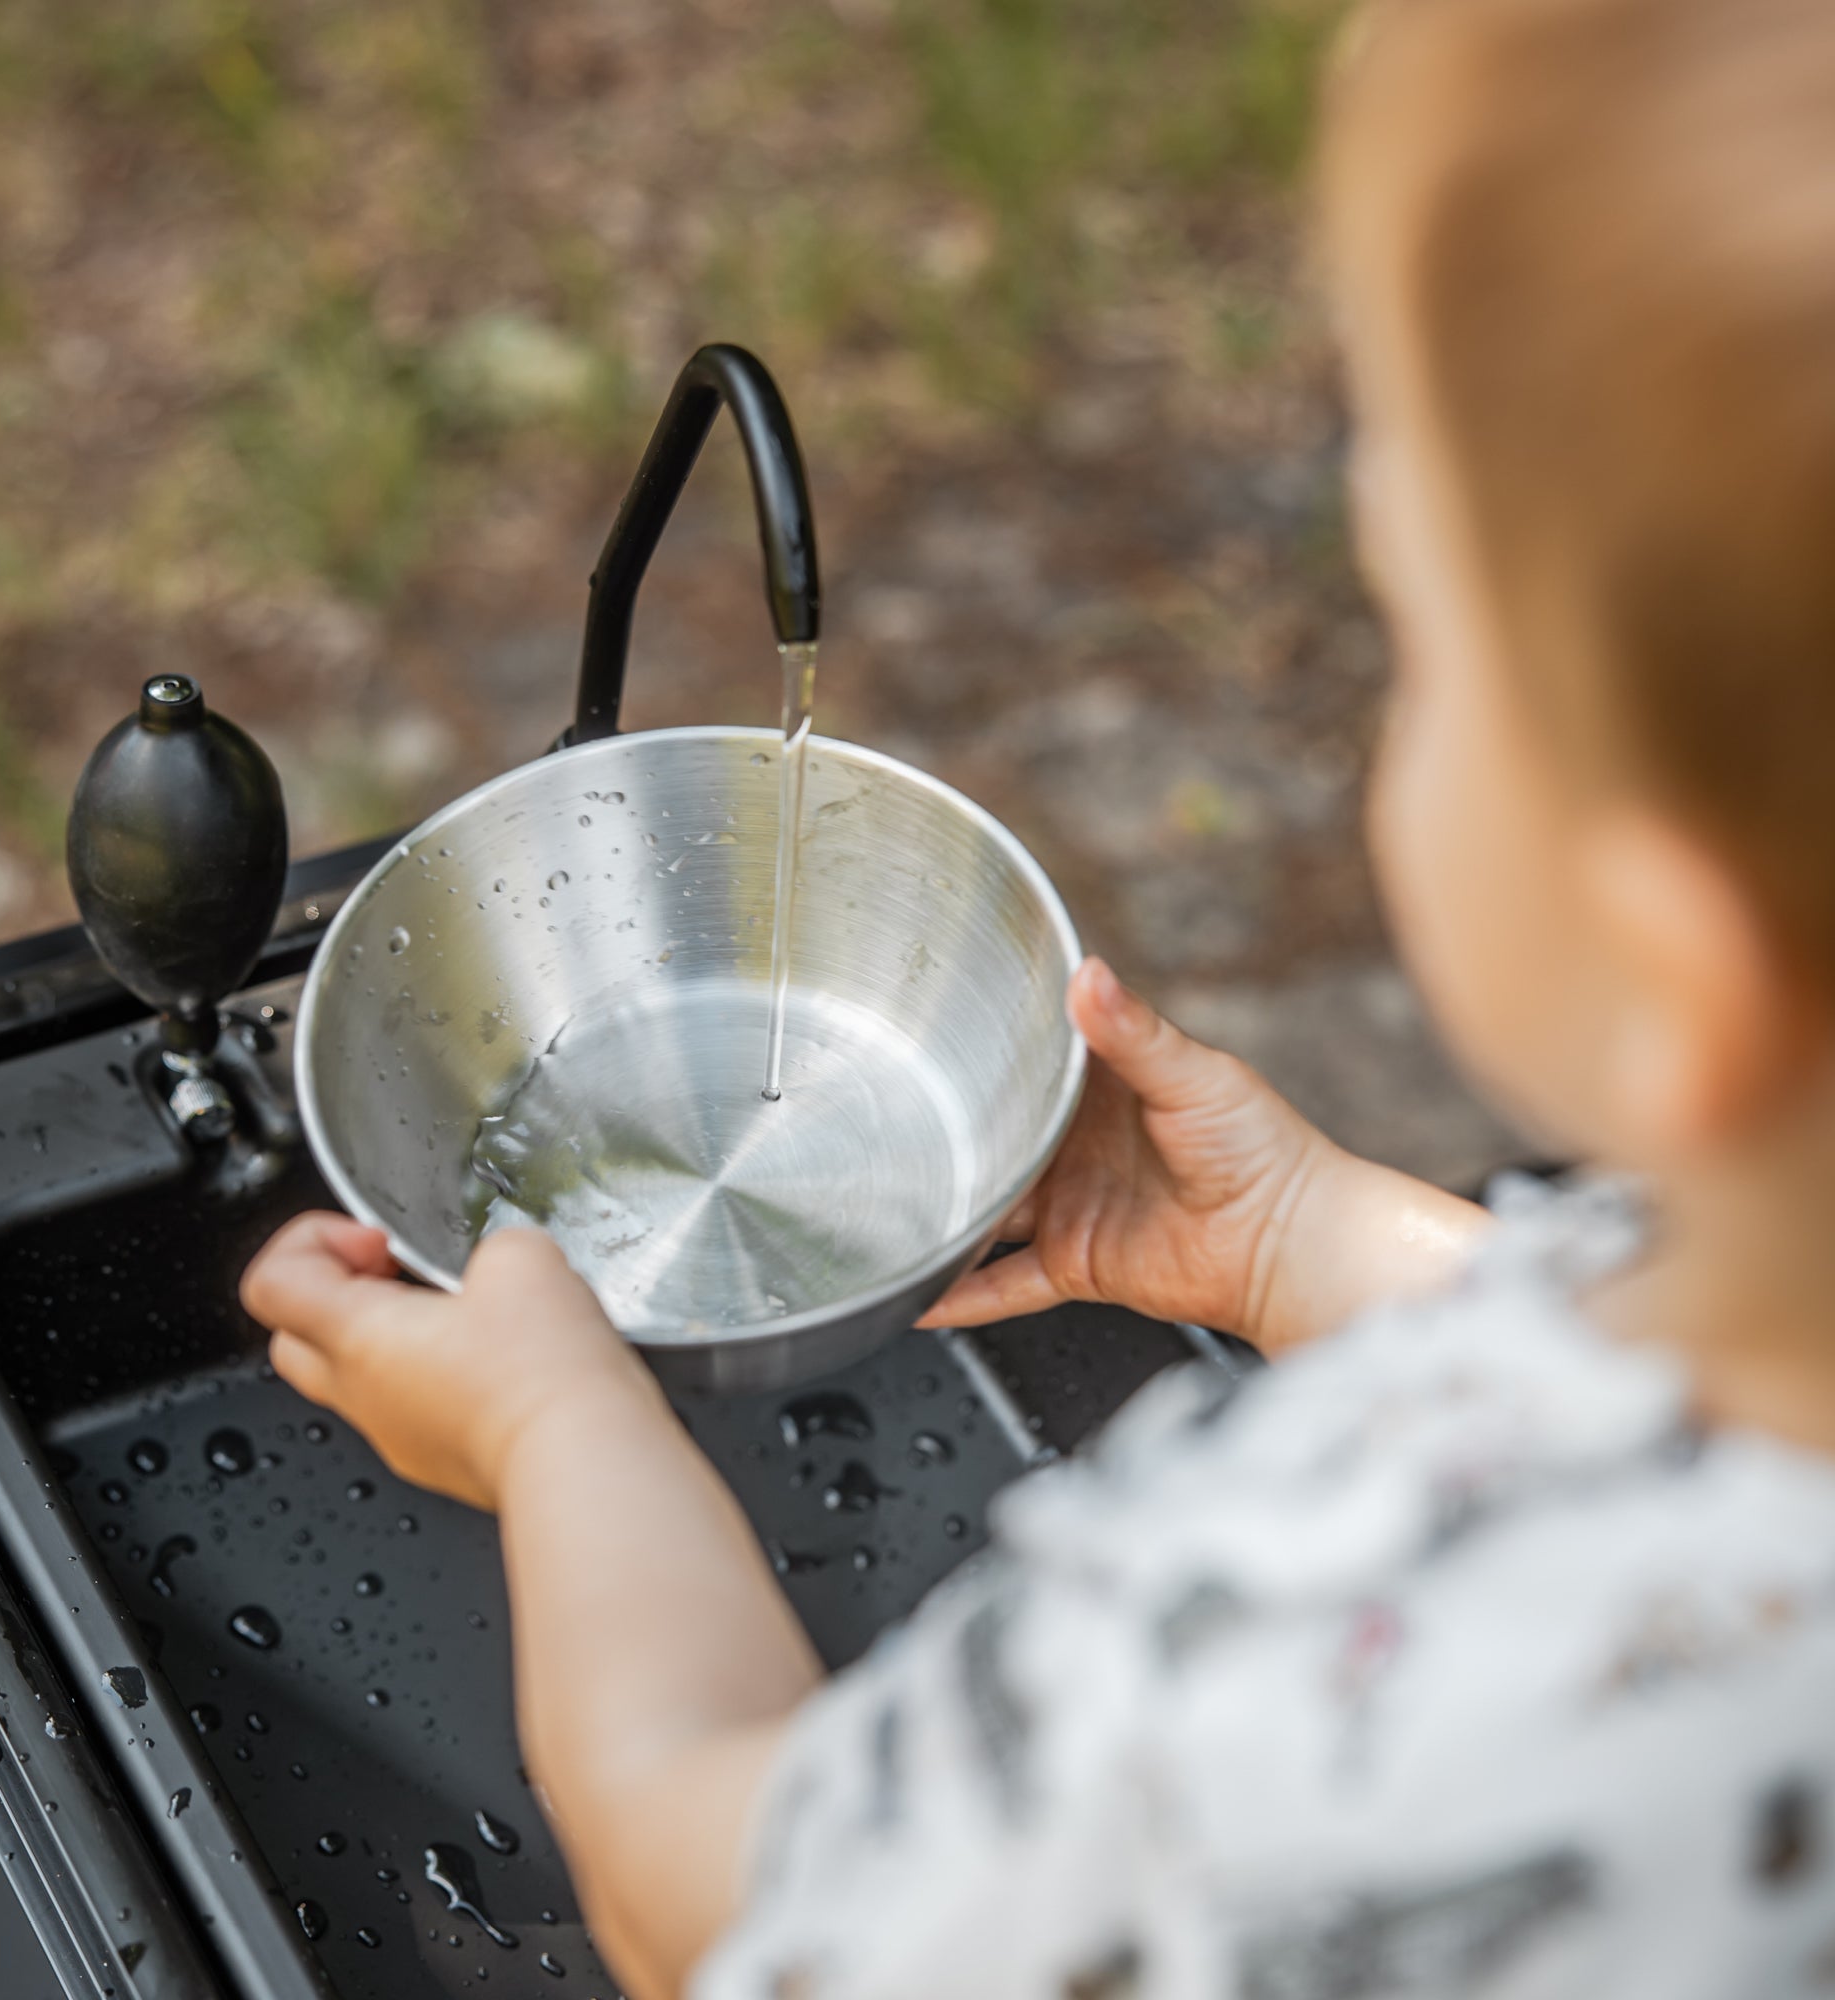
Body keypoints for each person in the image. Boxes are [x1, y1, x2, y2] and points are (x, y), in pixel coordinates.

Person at [241, 0, 1835, 1990]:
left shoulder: (1290, 1674)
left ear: (1681, 973)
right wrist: (1305, 1245)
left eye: (1416, 636)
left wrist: (556, 1431)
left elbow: (720, 1900)